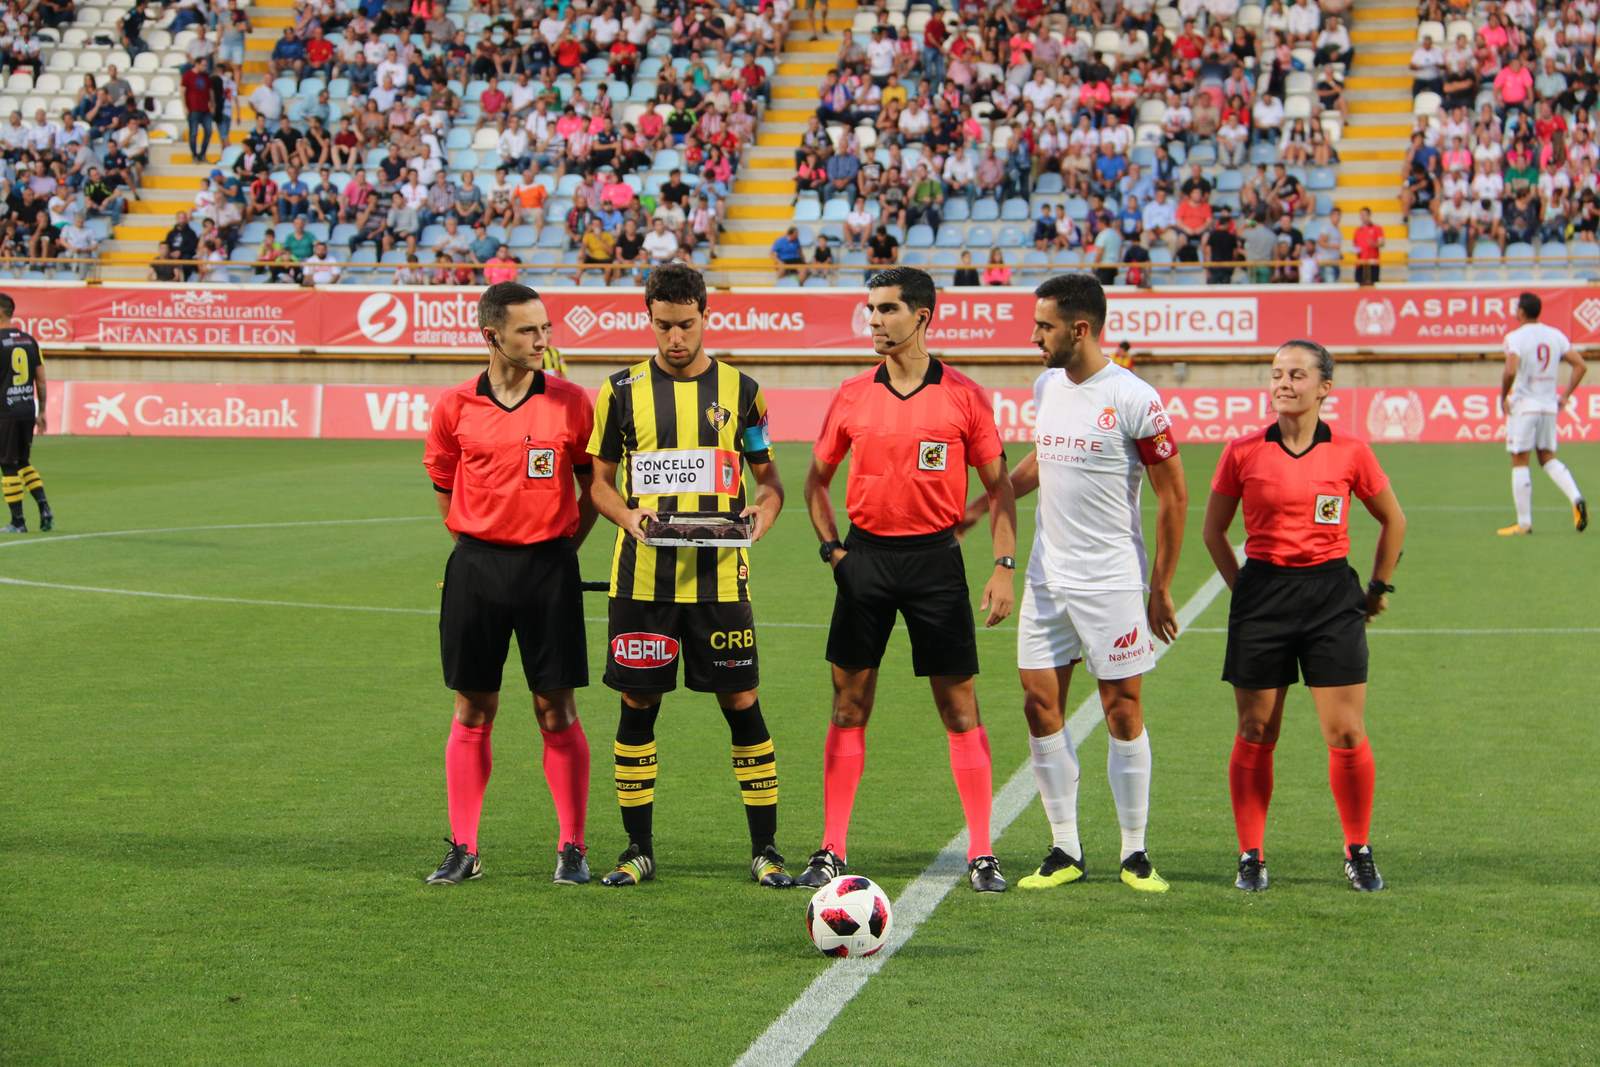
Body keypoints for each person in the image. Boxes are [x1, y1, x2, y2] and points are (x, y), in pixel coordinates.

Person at [961, 274, 1186, 894]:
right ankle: (1064, 848)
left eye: (1044, 327)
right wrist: (987, 504)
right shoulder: (1046, 385)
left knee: (1121, 710)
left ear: (1079, 329)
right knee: (1038, 706)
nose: (1034, 337)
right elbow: (1043, 457)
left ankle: (1135, 852)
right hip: (1046, 577)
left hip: (1111, 580)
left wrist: (1159, 586)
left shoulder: (1134, 398)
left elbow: (1174, 498)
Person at [798, 267, 1019, 894]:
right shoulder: (850, 394)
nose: (874, 322)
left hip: (935, 563)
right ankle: (831, 847)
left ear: (922, 317)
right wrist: (834, 552)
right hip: (863, 561)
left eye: (887, 310)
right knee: (849, 704)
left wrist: (1003, 567)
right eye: (870, 310)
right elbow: (816, 481)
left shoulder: (964, 396)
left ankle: (982, 851)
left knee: (958, 706)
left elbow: (1000, 489)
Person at [584, 265, 792, 890]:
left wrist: (764, 513)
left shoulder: (743, 390)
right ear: (648, 319)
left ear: (706, 316)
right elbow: (597, 484)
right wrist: (627, 515)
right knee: (638, 702)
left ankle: (767, 851)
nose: (675, 338)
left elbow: (770, 481)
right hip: (642, 581)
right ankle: (637, 850)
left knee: (742, 703)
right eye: (663, 325)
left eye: (686, 324)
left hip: (722, 582)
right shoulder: (619, 391)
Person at [1201, 339, 1407, 893]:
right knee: (1256, 729)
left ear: (1325, 388)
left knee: (1344, 732)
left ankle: (1358, 848)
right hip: (1263, 596)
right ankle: (1251, 854)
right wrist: (1242, 587)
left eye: (1296, 374)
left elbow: (1394, 520)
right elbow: (1214, 531)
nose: (1283, 383)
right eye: (1275, 374)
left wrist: (1378, 585)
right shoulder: (1242, 451)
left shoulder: (1351, 452)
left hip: (1330, 598)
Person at [420, 282, 598, 886]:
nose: (543, 340)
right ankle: (464, 848)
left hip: (549, 568)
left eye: (546, 329)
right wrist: (476, 539)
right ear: (490, 335)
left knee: (556, 708)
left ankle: (572, 847)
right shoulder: (455, 406)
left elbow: (592, 485)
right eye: (529, 331)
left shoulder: (573, 402)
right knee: (473, 707)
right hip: (475, 568)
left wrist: (563, 548)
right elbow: (443, 480)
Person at [1497, 292, 1588, 535]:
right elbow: (1580, 364)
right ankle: (1575, 497)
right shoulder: (1555, 335)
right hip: (1549, 406)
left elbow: (1510, 370)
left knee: (1519, 459)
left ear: (1521, 312)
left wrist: (1503, 395)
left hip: (1525, 406)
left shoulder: (1515, 337)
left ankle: (1524, 523)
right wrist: (1566, 394)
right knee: (1547, 457)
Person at [0, 293, 52, 534]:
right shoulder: (29, 340)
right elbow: (41, 381)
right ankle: (44, 507)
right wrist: (42, 411)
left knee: (7, 464)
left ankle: (18, 521)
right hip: (26, 409)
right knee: (22, 461)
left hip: (5, 411)